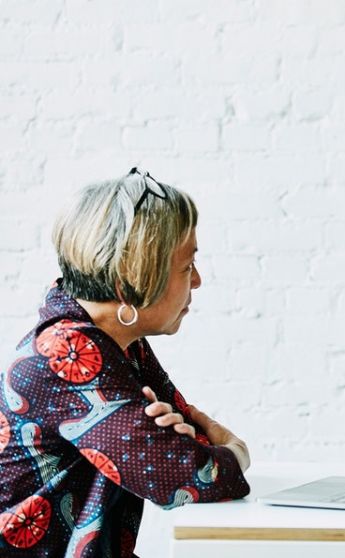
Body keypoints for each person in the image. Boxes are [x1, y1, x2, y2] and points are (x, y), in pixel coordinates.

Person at [0, 168, 251, 556]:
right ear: (130, 282)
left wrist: (185, 447)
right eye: (186, 267)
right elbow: (186, 477)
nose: (197, 281)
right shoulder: (67, 353)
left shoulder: (113, 340)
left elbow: (186, 436)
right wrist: (235, 449)